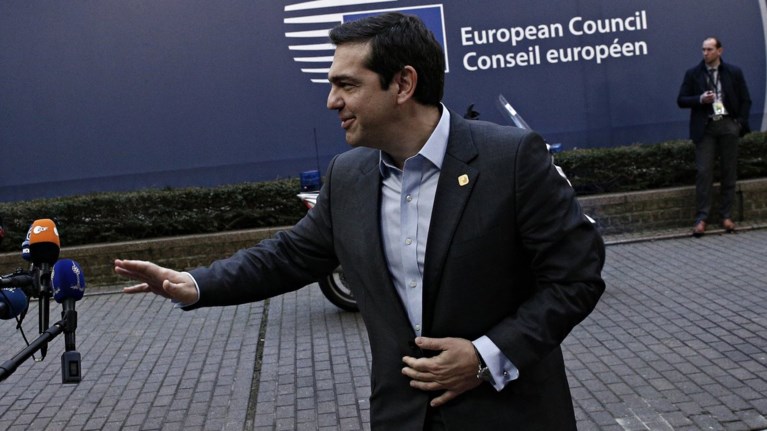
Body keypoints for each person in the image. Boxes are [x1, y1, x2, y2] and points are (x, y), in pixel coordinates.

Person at [115, 12, 605, 430]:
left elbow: (576, 278)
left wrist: (485, 356)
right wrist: (194, 284)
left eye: (346, 85)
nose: (332, 101)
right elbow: (289, 255)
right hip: (402, 417)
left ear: (403, 84)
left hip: (511, 415)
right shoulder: (348, 175)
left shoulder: (510, 159)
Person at [677, 36, 752, 237]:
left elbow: (745, 100)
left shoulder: (733, 72)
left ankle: (726, 216)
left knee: (729, 171)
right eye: (703, 49)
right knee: (704, 172)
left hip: (728, 124)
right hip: (705, 127)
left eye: (709, 49)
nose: (705, 53)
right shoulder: (693, 73)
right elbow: (681, 100)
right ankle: (702, 218)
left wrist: (739, 124)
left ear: (720, 51)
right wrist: (700, 99)